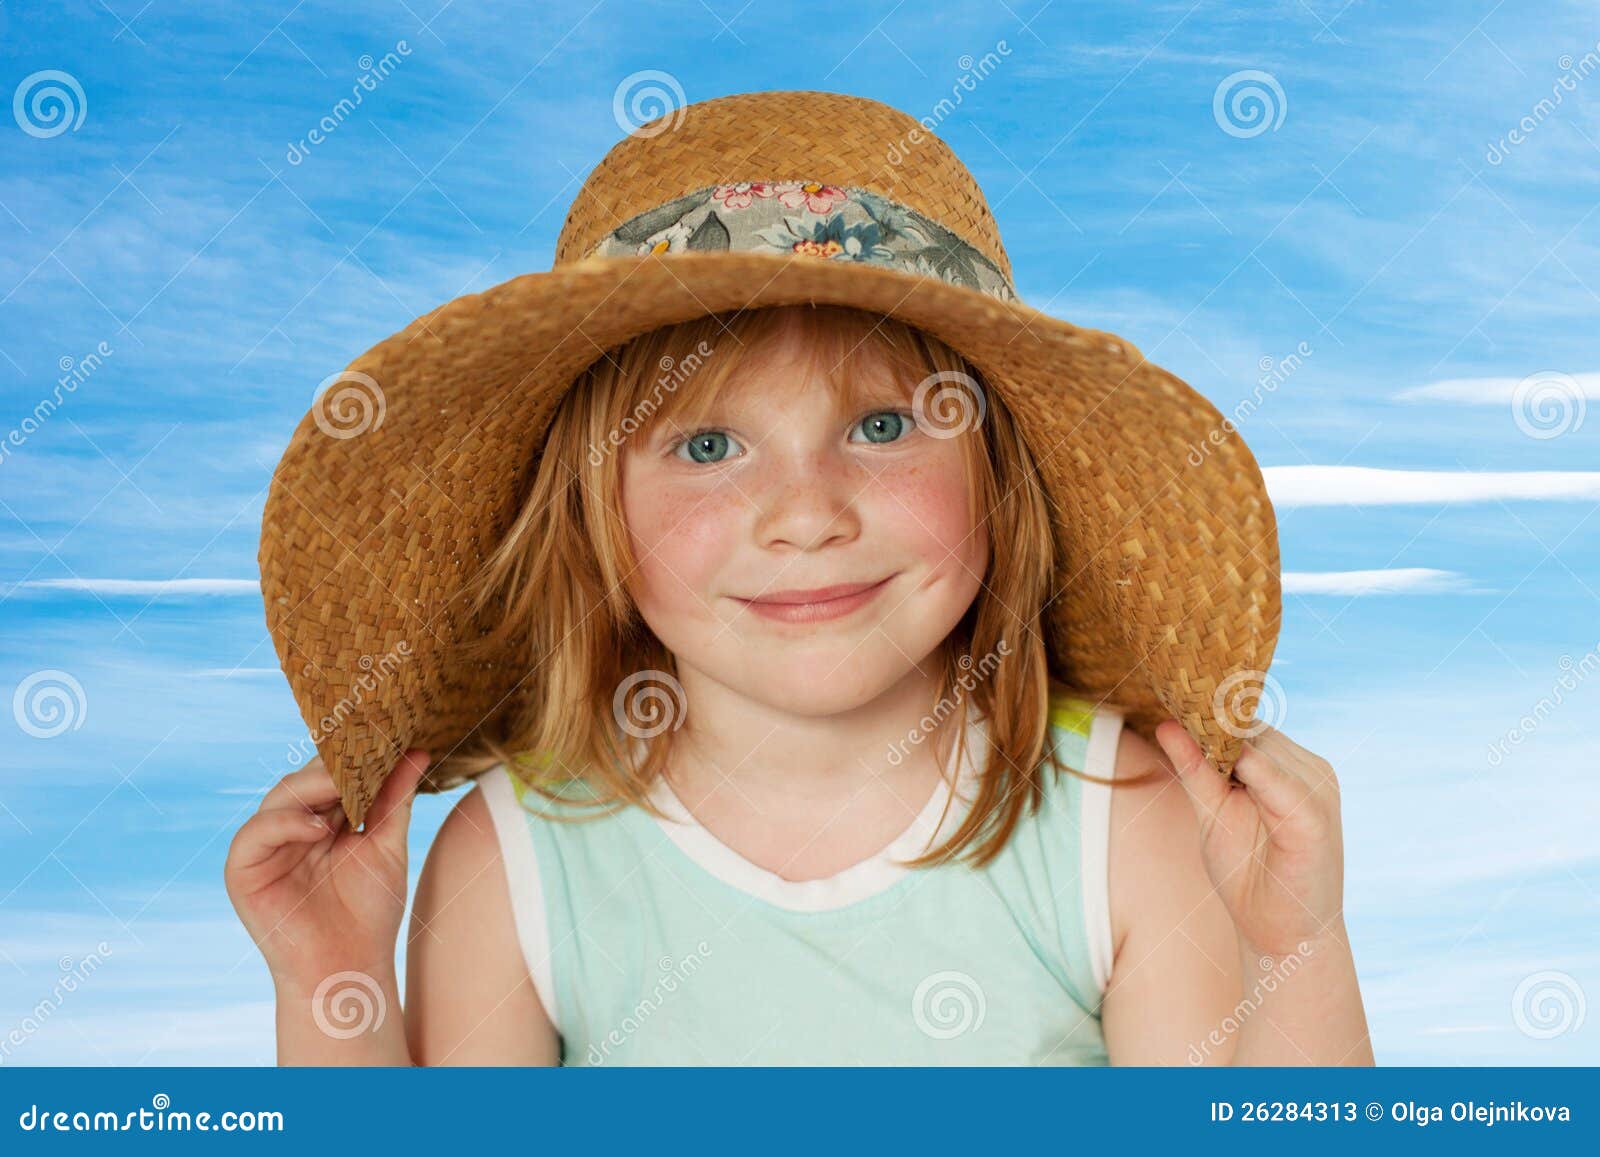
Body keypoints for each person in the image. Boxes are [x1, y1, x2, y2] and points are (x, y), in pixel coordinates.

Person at [230, 91, 1372, 1066]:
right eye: (707, 447)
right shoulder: (519, 858)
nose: (807, 514)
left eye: (881, 424)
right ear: (591, 521)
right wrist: (333, 985)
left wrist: (1293, 943)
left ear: (999, 479)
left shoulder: (1120, 823)